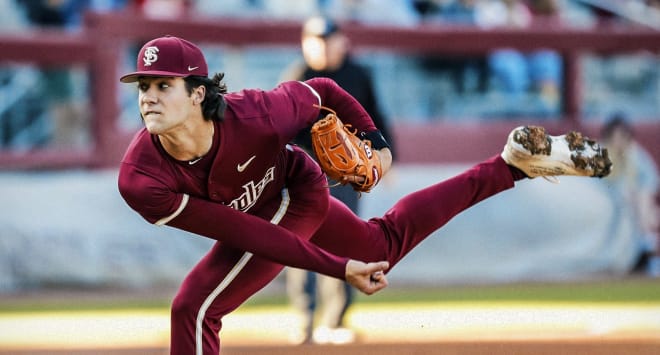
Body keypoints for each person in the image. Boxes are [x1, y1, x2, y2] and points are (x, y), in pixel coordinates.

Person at [117, 35, 611, 355]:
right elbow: (243, 230)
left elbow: (324, 91)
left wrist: (377, 143)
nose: (149, 98)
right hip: (264, 213)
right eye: (143, 87)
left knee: (194, 308)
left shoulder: (261, 113)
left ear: (199, 92)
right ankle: (509, 167)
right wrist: (339, 266)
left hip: (295, 186)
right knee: (380, 247)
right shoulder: (142, 179)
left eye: (164, 85)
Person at [281, 15, 395, 345]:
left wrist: (389, 158)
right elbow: (283, 131)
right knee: (300, 244)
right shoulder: (297, 77)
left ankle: (335, 320)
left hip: (347, 176)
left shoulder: (358, 74)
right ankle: (304, 320)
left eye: (326, 40)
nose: (321, 47)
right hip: (304, 175)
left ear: (341, 41)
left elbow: (377, 117)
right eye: (314, 41)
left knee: (346, 241)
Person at [600, 114, 660, 277]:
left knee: (642, 201)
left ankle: (647, 247)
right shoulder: (600, 153)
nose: (618, 140)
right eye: (615, 136)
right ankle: (647, 246)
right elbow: (601, 183)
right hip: (611, 200)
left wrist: (638, 195)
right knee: (637, 202)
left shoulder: (634, 153)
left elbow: (650, 179)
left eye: (622, 136)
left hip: (637, 202)